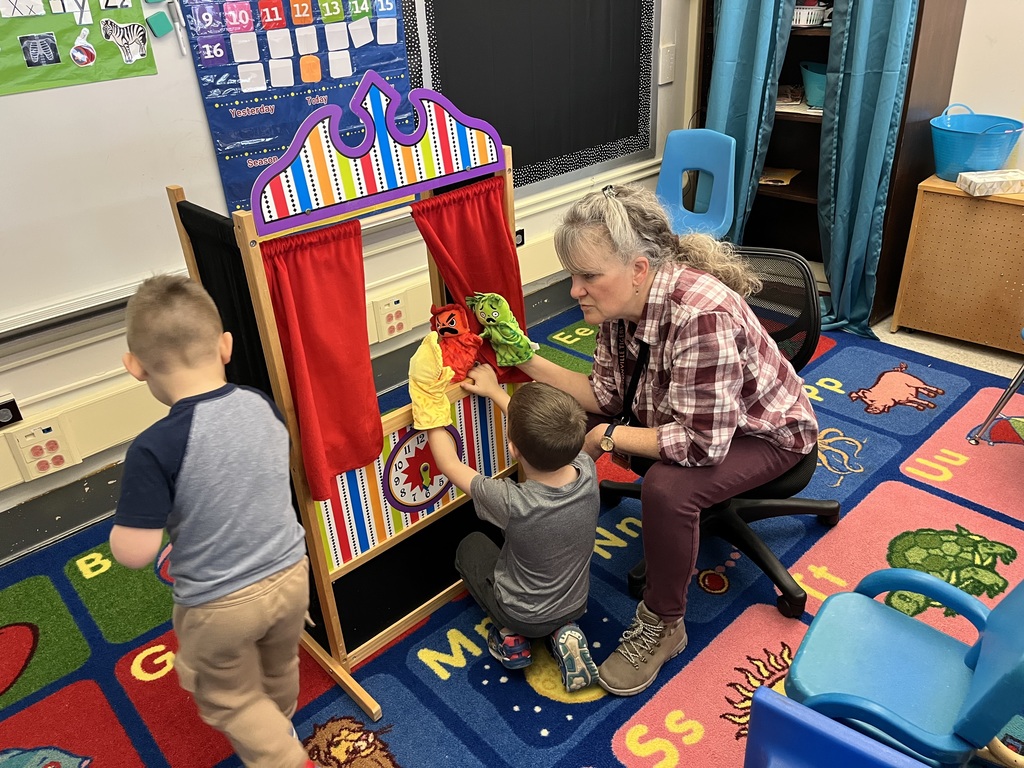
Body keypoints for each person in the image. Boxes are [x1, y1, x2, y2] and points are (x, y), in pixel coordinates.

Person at [515, 184, 819, 697]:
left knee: (666, 489)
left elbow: (702, 445)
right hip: (702, 424)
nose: (574, 290)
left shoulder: (700, 314)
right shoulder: (623, 306)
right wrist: (519, 355)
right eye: (573, 275)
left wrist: (608, 438)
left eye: (588, 276)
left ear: (638, 268)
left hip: (767, 435)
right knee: (648, 463)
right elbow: (606, 394)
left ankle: (664, 623)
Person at [108, 275, 322, 768]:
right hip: (291, 575)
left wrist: (128, 527)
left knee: (229, 696)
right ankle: (280, 719)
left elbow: (136, 552)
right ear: (225, 346)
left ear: (135, 368)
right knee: (279, 662)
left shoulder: (153, 447)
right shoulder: (260, 405)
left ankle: (283, 757)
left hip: (219, 603)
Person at [407, 333, 601, 692]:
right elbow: (542, 434)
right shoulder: (587, 469)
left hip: (522, 613)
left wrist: (430, 406)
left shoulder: (513, 502)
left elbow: (449, 464)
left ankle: (511, 637)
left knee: (471, 546)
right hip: (575, 602)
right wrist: (497, 392)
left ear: (512, 448)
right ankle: (564, 632)